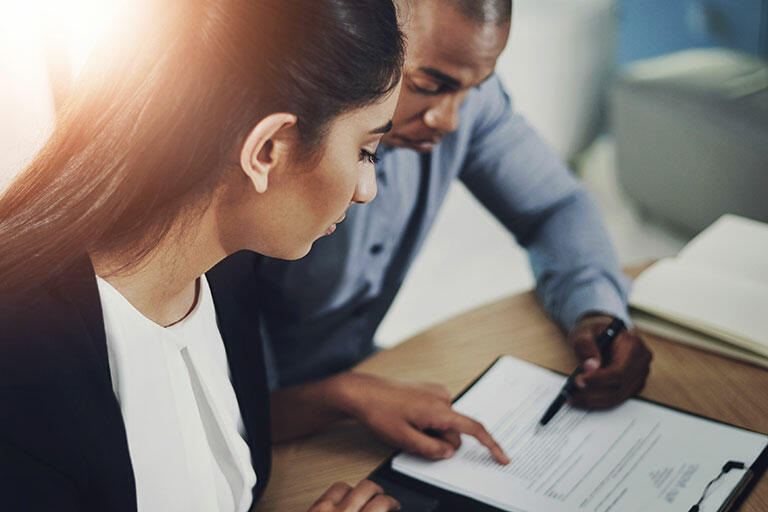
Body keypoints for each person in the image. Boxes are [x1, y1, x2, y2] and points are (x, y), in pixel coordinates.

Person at [0, 1, 511, 511]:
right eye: (365, 151)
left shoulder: (223, 267)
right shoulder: (24, 370)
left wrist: (341, 397)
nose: (366, 190)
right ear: (268, 149)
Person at [258, 0, 654, 461]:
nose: (450, 120)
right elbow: (217, 406)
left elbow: (553, 205)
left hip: (367, 381)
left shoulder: (463, 101)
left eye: (473, 88)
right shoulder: (268, 152)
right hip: (260, 429)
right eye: (428, 86)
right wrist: (344, 397)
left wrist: (596, 311)